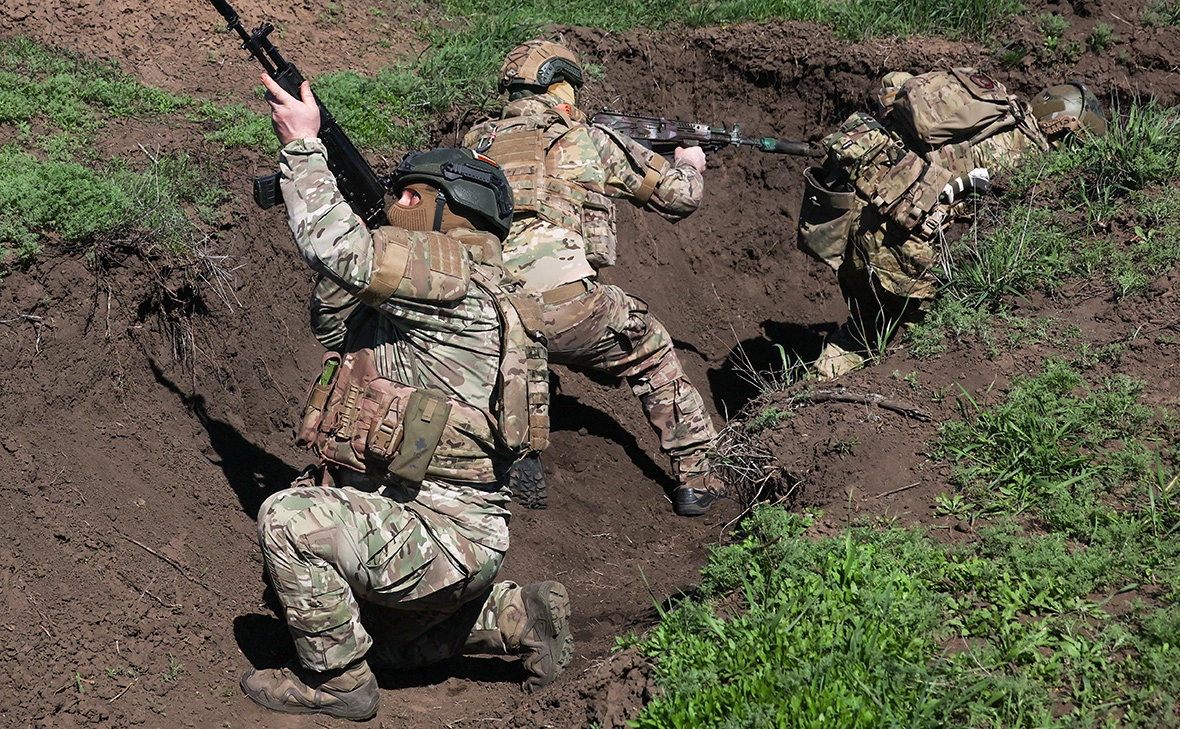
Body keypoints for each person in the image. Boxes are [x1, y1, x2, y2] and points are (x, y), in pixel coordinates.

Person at [239, 74, 571, 721]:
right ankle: (518, 615)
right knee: (382, 647)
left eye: (408, 196)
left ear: (446, 207)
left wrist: (305, 150)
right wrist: (352, 272)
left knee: (289, 519)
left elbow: (341, 249)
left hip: (439, 532)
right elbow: (334, 327)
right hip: (457, 536)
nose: (396, 205)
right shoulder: (474, 288)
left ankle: (339, 686)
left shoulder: (448, 266)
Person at [462, 40, 722, 517]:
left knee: (521, 336)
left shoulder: (475, 144)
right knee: (650, 347)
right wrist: (689, 162)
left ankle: (518, 450)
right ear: (560, 83)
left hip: (486, 312)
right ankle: (697, 476)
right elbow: (680, 197)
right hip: (567, 309)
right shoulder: (590, 138)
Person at [800, 71, 1107, 378]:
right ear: (1066, 132)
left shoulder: (989, 106)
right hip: (899, 241)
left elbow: (896, 81)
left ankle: (808, 398)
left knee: (865, 326)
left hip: (857, 211)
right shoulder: (1028, 158)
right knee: (927, 345)